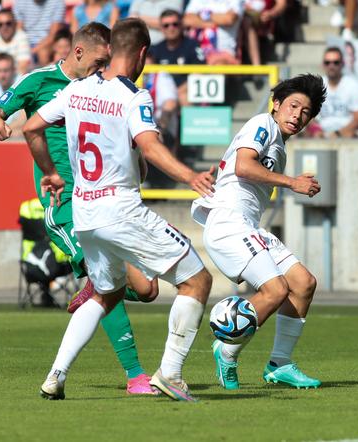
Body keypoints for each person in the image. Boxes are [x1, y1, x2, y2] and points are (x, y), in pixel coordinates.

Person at [25, 18, 215, 402]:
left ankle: (55, 377)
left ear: (110, 50)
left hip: (86, 213)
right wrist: (189, 175)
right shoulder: (133, 96)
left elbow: (31, 127)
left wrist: (50, 172)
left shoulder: (76, 90)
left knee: (104, 294)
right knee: (197, 281)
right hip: (121, 208)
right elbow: (149, 147)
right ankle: (171, 375)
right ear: (142, 53)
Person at [0, 23, 157, 396]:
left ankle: (92, 292)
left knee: (147, 288)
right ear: (78, 53)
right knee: (108, 283)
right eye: (99, 61)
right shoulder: (39, 82)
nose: (103, 68)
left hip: (104, 202)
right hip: (65, 205)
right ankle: (136, 376)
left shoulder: (103, 91)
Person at [190, 74, 326, 390]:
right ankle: (226, 350)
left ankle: (280, 364)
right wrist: (292, 182)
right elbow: (243, 167)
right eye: (293, 106)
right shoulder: (261, 124)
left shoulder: (278, 142)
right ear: (276, 105)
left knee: (303, 284)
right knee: (276, 290)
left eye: (306, 112)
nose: (297, 115)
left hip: (248, 225)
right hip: (229, 223)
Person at [305, 47, 358, 138]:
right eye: (327, 62)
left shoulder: (353, 85)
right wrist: (316, 130)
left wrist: (339, 133)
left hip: (347, 131)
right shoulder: (316, 85)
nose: (331, 66)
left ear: (342, 64)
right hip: (322, 131)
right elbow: (308, 115)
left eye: (336, 62)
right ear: (323, 65)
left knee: (351, 135)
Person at [149, 9, 205, 105]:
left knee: (184, 97)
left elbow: (201, 72)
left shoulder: (192, 45)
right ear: (161, 28)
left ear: (181, 25)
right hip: (164, 96)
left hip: (187, 92)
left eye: (175, 24)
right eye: (166, 25)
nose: (171, 28)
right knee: (168, 102)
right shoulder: (155, 49)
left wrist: (178, 91)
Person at [183, 0, 243, 65]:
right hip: (195, 51)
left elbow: (229, 19)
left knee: (219, 65)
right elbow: (186, 20)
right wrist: (211, 23)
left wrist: (202, 15)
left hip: (223, 53)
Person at [14, 0, 66, 67]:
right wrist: (25, 48)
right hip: (26, 43)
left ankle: (43, 76)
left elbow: (54, 34)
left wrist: (34, 50)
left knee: (43, 52)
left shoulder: (57, 2)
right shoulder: (20, 2)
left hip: (48, 43)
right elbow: (19, 31)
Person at [0, 8, 31, 75]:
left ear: (15, 24)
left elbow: (23, 68)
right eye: (0, 24)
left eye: (8, 23)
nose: (4, 27)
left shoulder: (21, 36)